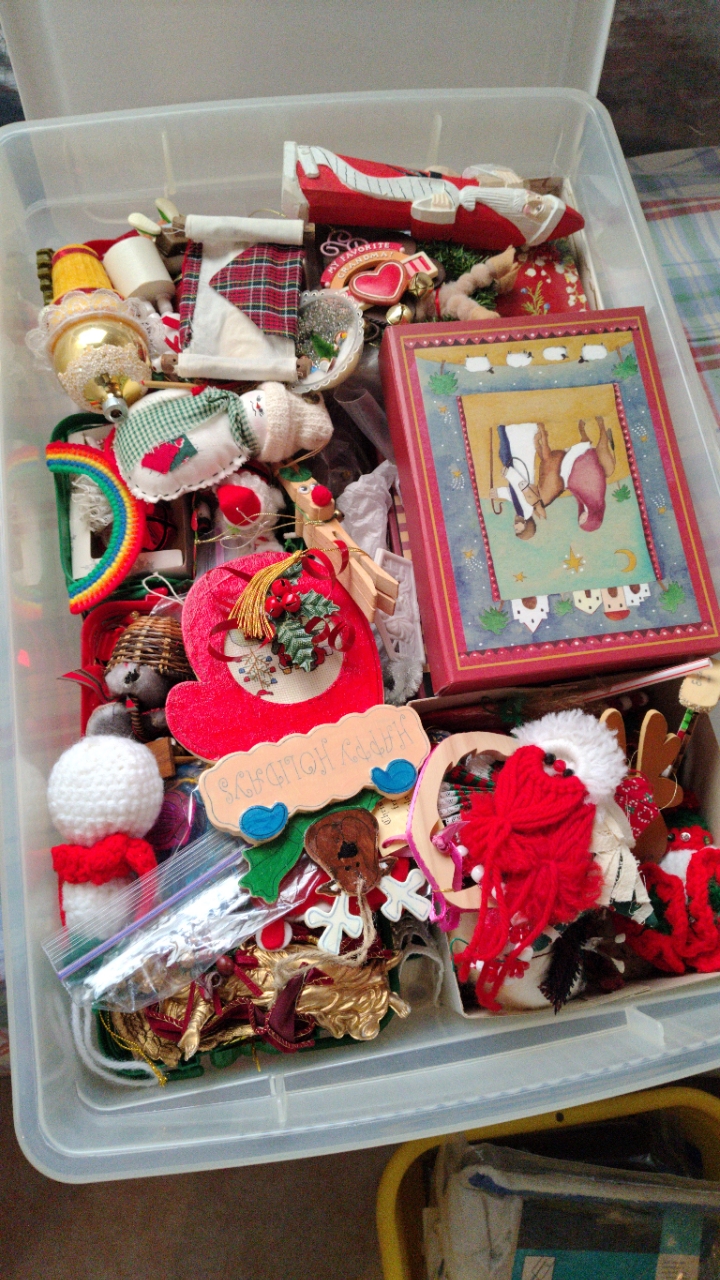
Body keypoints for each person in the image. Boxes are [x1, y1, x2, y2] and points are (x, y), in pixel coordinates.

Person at [536, 416, 615, 532]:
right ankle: (601, 425)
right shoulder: (596, 501)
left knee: (562, 472)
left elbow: (578, 493)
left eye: (580, 520)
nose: (581, 517)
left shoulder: (584, 506)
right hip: (589, 470)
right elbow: (592, 485)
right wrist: (573, 485)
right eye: (584, 519)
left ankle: (581, 431)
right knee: (599, 449)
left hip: (578, 479)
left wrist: (570, 487)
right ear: (592, 518)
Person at [489, 421, 546, 541]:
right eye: (518, 529)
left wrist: (499, 493)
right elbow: (522, 487)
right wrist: (510, 474)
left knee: (505, 454)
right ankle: (502, 429)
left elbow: (513, 494)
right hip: (519, 472)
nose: (514, 526)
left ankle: (503, 429)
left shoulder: (522, 512)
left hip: (517, 471)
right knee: (506, 453)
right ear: (526, 525)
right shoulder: (525, 511)